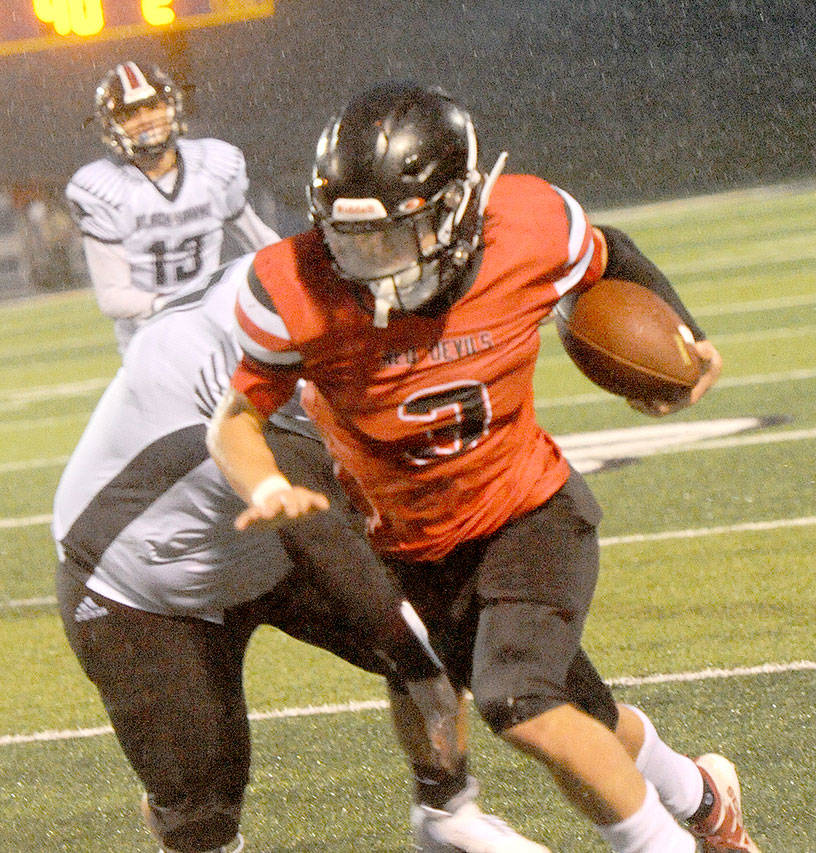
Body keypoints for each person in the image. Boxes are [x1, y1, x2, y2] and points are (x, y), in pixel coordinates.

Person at [206, 80, 758, 853]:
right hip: (410, 542)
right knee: (581, 718)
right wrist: (262, 482)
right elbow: (236, 419)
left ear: (463, 207)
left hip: (529, 511)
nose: (371, 262)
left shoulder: (527, 225)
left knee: (518, 700)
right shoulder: (292, 286)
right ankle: (703, 801)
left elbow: (612, 253)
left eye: (396, 235)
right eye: (351, 238)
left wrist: (683, 343)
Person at [52, 259, 549, 853]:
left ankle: (446, 812)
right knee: (202, 806)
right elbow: (330, 547)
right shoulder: (235, 371)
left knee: (438, 626)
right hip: (143, 585)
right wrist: (425, 672)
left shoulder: (303, 282)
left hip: (262, 542)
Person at [66, 60, 281, 353]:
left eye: (153, 106)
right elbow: (113, 297)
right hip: (150, 341)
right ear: (113, 126)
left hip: (215, 332)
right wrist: (181, 304)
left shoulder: (214, 165)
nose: (145, 120)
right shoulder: (102, 188)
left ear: (171, 107)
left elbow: (263, 243)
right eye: (131, 114)